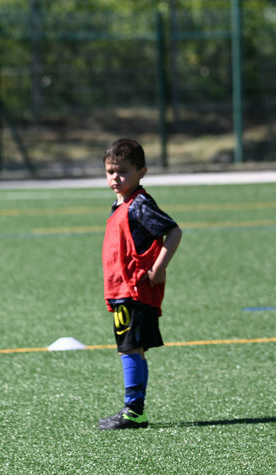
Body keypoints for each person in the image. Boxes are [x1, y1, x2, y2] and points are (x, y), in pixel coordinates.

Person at [99, 139, 182, 429]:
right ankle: (134, 408)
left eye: (123, 171)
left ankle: (134, 411)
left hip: (132, 290)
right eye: (110, 172)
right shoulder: (121, 203)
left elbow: (173, 232)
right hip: (122, 290)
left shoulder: (140, 204)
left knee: (129, 348)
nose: (115, 178)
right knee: (133, 348)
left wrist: (159, 267)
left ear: (141, 172)